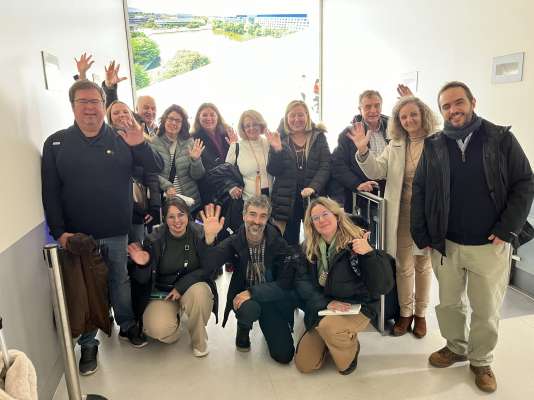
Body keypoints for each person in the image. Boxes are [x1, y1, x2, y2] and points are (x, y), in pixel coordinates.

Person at [410, 81, 534, 392]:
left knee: (486, 308)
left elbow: (524, 183)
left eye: (458, 103)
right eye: (446, 106)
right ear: (441, 112)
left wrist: (508, 228)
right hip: (446, 243)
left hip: (490, 244)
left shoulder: (500, 138)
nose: (454, 110)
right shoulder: (434, 144)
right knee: (449, 304)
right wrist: (421, 232)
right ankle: (455, 347)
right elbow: (421, 189)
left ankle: (481, 360)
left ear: (472, 102)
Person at [41, 79, 163, 375]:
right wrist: (60, 232)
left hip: (117, 230)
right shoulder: (56, 143)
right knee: (85, 289)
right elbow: (50, 192)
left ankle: (127, 324)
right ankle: (88, 343)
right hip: (78, 236)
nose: (90, 108)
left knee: (119, 281)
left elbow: (156, 167)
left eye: (95, 101)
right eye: (82, 102)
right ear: (73, 106)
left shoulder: (123, 138)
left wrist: (141, 144)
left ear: (103, 105)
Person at [350, 96, 438, 337]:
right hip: (401, 212)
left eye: (413, 114)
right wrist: (363, 150)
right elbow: (377, 170)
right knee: (403, 265)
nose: (409, 120)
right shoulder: (396, 143)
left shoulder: (436, 142)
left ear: (423, 116)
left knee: (423, 265)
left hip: (428, 215)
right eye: (403, 116)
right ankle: (405, 313)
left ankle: (420, 315)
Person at [294, 197, 393, 375]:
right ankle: (331, 339)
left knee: (334, 341)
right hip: (325, 306)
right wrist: (325, 303)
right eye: (315, 218)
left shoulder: (357, 241)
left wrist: (368, 255)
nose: (321, 220)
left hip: (356, 306)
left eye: (325, 214)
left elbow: (382, 287)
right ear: (311, 224)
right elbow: (302, 284)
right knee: (305, 365)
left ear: (337, 215)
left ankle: (349, 348)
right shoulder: (308, 248)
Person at [199, 196, 299, 364]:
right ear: (244, 215)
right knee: (249, 309)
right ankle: (243, 327)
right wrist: (209, 238)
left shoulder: (278, 243)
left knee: (284, 355)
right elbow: (209, 265)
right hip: (245, 299)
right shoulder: (234, 241)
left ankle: (272, 328)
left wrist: (253, 292)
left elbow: (285, 282)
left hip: (270, 298)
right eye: (252, 214)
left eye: (262, 216)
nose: (257, 221)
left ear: (268, 218)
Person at [127, 198, 217, 357]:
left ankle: (199, 339)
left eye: (181, 215)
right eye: (171, 216)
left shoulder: (200, 233)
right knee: (156, 329)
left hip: (191, 287)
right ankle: (176, 322)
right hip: (163, 293)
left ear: (188, 215)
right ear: (165, 219)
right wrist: (143, 264)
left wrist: (210, 241)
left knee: (201, 293)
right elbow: (142, 281)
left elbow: (210, 269)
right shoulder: (153, 239)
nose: (177, 221)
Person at [268, 100, 330, 245]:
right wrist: (277, 150)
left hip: (313, 197)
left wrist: (313, 187)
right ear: (286, 118)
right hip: (286, 199)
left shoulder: (318, 137)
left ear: (307, 116)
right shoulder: (279, 138)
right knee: (289, 244)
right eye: (292, 116)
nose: (297, 119)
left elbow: (325, 166)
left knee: (316, 242)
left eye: (301, 115)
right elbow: (273, 170)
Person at [106, 100, 161, 243]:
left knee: (139, 252)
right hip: (114, 212)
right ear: (109, 118)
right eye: (116, 112)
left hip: (138, 210)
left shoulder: (141, 139)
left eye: (125, 111)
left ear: (132, 115)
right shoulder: (105, 140)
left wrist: (154, 206)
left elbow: (153, 172)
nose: (121, 115)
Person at [331, 90, 389, 213]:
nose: (373, 110)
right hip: (363, 197)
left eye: (377, 105)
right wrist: (356, 184)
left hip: (389, 194)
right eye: (368, 106)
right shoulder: (349, 133)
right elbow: (337, 165)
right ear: (360, 109)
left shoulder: (394, 129)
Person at [150, 104, 205, 212]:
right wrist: (167, 186)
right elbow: (150, 172)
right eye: (170, 119)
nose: (174, 123)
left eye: (178, 120)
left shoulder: (189, 142)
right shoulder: (153, 142)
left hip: (188, 201)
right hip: (166, 200)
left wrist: (196, 160)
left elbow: (198, 175)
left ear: (182, 124)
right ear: (164, 120)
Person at [191, 103, 234, 205]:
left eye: (212, 114)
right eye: (204, 115)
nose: (208, 118)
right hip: (211, 192)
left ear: (218, 117)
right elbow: (202, 171)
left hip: (233, 187)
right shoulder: (194, 139)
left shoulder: (228, 134)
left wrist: (235, 147)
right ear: (198, 118)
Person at [226, 110, 272, 200]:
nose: (251, 128)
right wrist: (231, 187)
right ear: (243, 129)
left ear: (261, 125)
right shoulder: (236, 146)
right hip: (247, 201)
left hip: (272, 200)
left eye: (255, 124)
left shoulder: (269, 143)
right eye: (247, 126)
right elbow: (226, 172)